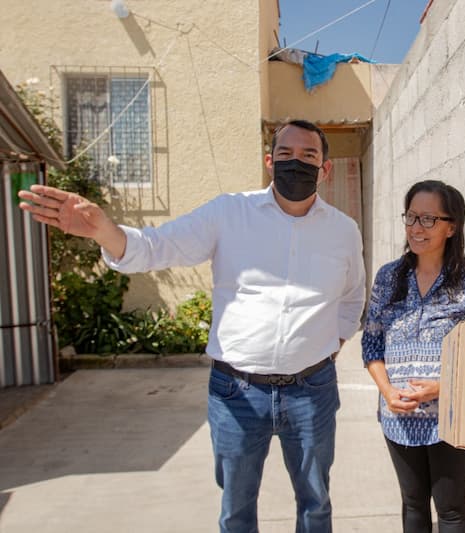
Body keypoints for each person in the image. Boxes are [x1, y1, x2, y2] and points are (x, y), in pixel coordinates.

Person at [18, 120, 366, 533]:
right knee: (236, 510)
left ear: (325, 168)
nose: (297, 163)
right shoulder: (228, 214)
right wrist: (104, 231)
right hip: (237, 392)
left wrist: (332, 345)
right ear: (269, 162)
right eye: (286, 155)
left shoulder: (343, 231)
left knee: (315, 504)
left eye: (309, 156)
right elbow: (157, 246)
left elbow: (352, 297)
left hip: (312, 392)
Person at [361, 180, 465, 533]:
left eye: (428, 219)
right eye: (411, 217)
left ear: (451, 226)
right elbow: (372, 345)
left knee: (451, 509)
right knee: (412, 503)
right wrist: (388, 393)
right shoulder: (389, 278)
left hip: (450, 416)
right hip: (399, 414)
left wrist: (441, 386)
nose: (416, 228)